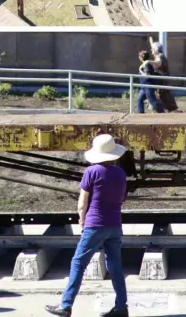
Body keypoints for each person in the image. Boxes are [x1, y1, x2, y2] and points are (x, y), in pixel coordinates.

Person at [45, 134, 129, 317]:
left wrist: (82, 220)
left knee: (78, 263)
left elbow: (82, 202)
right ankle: (121, 307)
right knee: (115, 267)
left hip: (95, 224)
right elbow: (122, 197)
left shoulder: (92, 172)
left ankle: (65, 306)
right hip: (115, 225)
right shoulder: (121, 173)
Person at [149, 39, 179, 112]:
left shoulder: (160, 57)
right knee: (156, 101)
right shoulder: (159, 56)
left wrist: (147, 62)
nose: (151, 50)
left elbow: (157, 63)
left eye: (153, 49)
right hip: (160, 83)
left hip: (162, 83)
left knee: (166, 100)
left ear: (156, 50)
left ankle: (173, 112)